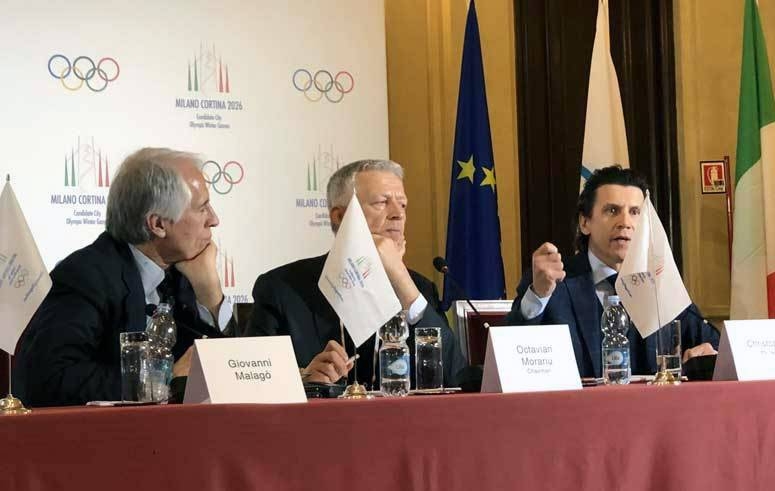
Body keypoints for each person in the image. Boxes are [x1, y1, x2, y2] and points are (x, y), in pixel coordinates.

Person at [14, 147, 233, 406]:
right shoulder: (86, 277)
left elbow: (228, 380)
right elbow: (50, 378)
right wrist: (162, 381)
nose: (214, 220)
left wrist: (210, 296)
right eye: (202, 208)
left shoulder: (183, 274)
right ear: (158, 225)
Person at [246, 159, 466, 388]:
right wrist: (304, 380)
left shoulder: (418, 288)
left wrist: (402, 280)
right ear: (339, 217)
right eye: (382, 202)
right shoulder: (281, 288)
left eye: (402, 205)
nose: (397, 215)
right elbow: (253, 385)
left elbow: (455, 378)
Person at [504, 165, 719, 378]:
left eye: (635, 212)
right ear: (585, 222)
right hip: (576, 410)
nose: (625, 222)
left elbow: (715, 346)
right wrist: (538, 296)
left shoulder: (660, 282)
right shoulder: (553, 282)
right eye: (612, 210)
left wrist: (709, 353)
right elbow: (509, 356)